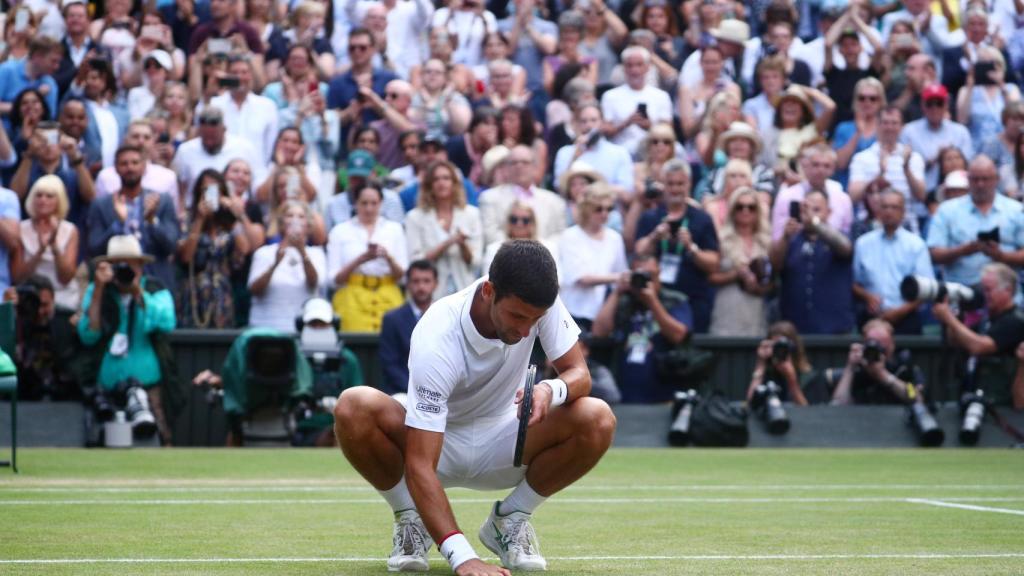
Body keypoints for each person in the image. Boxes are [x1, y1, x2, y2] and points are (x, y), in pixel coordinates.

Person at [333, 240, 615, 574]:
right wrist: (463, 556)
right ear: (488, 292)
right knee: (353, 405)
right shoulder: (438, 333)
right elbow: (420, 464)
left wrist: (549, 390)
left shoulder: (541, 303)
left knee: (597, 417)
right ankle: (411, 517)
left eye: (535, 320)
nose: (526, 330)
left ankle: (511, 519)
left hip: (508, 440)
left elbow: (579, 373)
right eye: (517, 316)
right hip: (435, 443)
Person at [77, 235, 177, 444]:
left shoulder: (155, 288)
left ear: (141, 266)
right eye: (119, 265)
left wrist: (137, 292)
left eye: (130, 265)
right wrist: (99, 289)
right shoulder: (98, 290)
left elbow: (166, 322)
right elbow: (88, 335)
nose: (125, 271)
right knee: (103, 440)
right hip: (108, 383)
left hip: (148, 383)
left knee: (158, 437)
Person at [591, 252, 692, 403]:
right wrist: (617, 292)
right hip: (624, 393)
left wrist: (652, 302)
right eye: (639, 275)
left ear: (659, 273)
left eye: (649, 275)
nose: (645, 280)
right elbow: (599, 332)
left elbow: (679, 335)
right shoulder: (624, 300)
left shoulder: (675, 300)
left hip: (664, 393)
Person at [633, 159, 720, 333]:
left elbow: (713, 263)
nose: (675, 189)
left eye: (680, 184)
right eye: (670, 184)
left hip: (693, 300)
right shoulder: (650, 217)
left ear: (689, 184)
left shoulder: (702, 219)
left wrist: (691, 247)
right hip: (656, 298)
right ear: (663, 185)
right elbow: (638, 252)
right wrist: (654, 237)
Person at [88, 145, 180, 291]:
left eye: (135, 163)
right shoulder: (101, 205)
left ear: (144, 167)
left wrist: (152, 221)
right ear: (115, 168)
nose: (130, 168)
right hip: (115, 284)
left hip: (156, 284)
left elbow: (171, 246)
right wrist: (118, 224)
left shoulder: (162, 201)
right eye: (124, 163)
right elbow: (95, 248)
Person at [933, 263, 1024, 407]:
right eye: (983, 290)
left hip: (1000, 403)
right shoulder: (987, 318)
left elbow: (979, 346)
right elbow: (956, 340)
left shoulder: (1015, 320)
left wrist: (948, 318)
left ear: (1008, 290)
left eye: (988, 290)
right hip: (975, 395)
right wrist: (954, 316)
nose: (984, 295)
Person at [927, 156, 1024, 287]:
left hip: (1004, 290)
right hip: (961, 288)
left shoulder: (1016, 210)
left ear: (997, 179)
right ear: (968, 180)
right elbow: (933, 254)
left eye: (985, 179)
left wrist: (1001, 256)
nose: (980, 184)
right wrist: (962, 251)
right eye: (975, 179)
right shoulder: (947, 210)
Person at [770, 189, 854, 335]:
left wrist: (815, 223)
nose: (809, 214)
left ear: (829, 212)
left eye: (816, 210)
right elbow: (775, 266)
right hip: (796, 331)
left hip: (835, 331)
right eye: (805, 209)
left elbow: (845, 248)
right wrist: (784, 237)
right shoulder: (792, 239)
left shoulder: (838, 236)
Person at [327, 184, 407, 332]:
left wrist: (388, 258)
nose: (369, 209)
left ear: (381, 203)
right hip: (351, 298)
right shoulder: (339, 231)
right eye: (364, 203)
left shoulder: (394, 230)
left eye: (374, 203)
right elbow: (333, 280)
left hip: (388, 296)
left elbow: (402, 277)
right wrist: (360, 260)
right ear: (355, 203)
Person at [176, 169, 251, 328]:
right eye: (206, 190)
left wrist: (233, 215)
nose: (210, 195)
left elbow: (244, 250)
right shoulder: (188, 219)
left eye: (215, 190)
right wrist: (200, 219)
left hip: (221, 294)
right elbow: (186, 257)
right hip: (194, 294)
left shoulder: (227, 223)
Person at [853, 190, 934, 334]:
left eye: (894, 207)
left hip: (906, 318)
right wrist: (867, 296)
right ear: (878, 211)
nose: (889, 211)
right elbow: (854, 283)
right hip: (871, 318)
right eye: (885, 207)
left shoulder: (916, 245)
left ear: (903, 212)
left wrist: (900, 311)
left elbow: (926, 289)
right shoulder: (863, 243)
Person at [405, 161, 483, 300]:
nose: (441, 183)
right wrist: (447, 243)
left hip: (464, 290)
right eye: (436, 179)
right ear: (429, 185)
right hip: (429, 296)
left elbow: (476, 262)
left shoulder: (472, 214)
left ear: (454, 183)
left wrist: (462, 244)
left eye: (446, 178)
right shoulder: (415, 217)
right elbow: (415, 262)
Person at [247, 200, 326, 332]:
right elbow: (254, 289)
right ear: (281, 223)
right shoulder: (264, 252)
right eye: (290, 215)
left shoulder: (316, 253)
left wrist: (302, 253)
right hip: (265, 328)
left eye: (301, 216)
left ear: (308, 224)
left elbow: (314, 284)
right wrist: (275, 264)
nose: (295, 220)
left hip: (302, 328)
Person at [558, 183, 628, 330]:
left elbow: (620, 275)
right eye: (598, 209)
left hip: (601, 315)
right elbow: (581, 278)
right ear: (586, 209)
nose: (604, 213)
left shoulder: (615, 238)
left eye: (609, 209)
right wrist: (618, 277)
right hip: (571, 313)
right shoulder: (570, 236)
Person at [709, 187, 772, 337]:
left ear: (758, 211)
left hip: (757, 312)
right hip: (727, 310)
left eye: (751, 207)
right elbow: (710, 277)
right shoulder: (721, 240)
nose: (745, 211)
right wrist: (736, 275)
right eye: (740, 207)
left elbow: (774, 281)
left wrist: (759, 286)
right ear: (732, 210)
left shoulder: (766, 242)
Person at [10, 176, 80, 311]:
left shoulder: (70, 230)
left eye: (49, 196)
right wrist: (40, 251)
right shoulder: (21, 229)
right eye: (39, 195)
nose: (43, 200)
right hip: (29, 297)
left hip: (62, 298)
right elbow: (18, 277)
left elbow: (66, 278)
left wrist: (54, 246)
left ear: (60, 200)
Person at [599, 46, 672, 158]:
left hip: (653, 152)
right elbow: (605, 131)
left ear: (647, 67)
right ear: (624, 68)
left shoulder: (661, 96)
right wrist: (626, 123)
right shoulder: (610, 96)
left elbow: (668, 131)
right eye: (629, 65)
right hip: (620, 151)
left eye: (639, 65)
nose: (634, 70)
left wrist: (650, 126)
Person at [900, 84, 976, 191]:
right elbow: (905, 166)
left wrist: (949, 159)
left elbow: (967, 165)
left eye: (939, 103)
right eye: (930, 104)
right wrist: (935, 159)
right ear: (922, 105)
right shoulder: (909, 131)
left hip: (954, 190)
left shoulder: (960, 132)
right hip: (919, 192)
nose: (934, 108)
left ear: (946, 105)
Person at [378, 260, 438, 395]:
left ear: (436, 284)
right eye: (416, 281)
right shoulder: (392, 319)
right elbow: (390, 365)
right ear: (408, 284)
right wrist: (418, 391)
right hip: (402, 392)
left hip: (442, 392)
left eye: (426, 281)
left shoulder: (447, 316)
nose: (421, 286)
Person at [831, 319, 923, 405]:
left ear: (892, 346)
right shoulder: (857, 370)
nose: (877, 353)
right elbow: (838, 405)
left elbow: (916, 398)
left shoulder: (904, 369)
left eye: (883, 349)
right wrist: (850, 368)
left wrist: (883, 375)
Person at [746, 321, 813, 406]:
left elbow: (807, 410)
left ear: (793, 347)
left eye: (783, 347)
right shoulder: (767, 374)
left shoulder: (807, 376)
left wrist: (791, 379)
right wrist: (761, 364)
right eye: (776, 347)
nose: (780, 352)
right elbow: (750, 403)